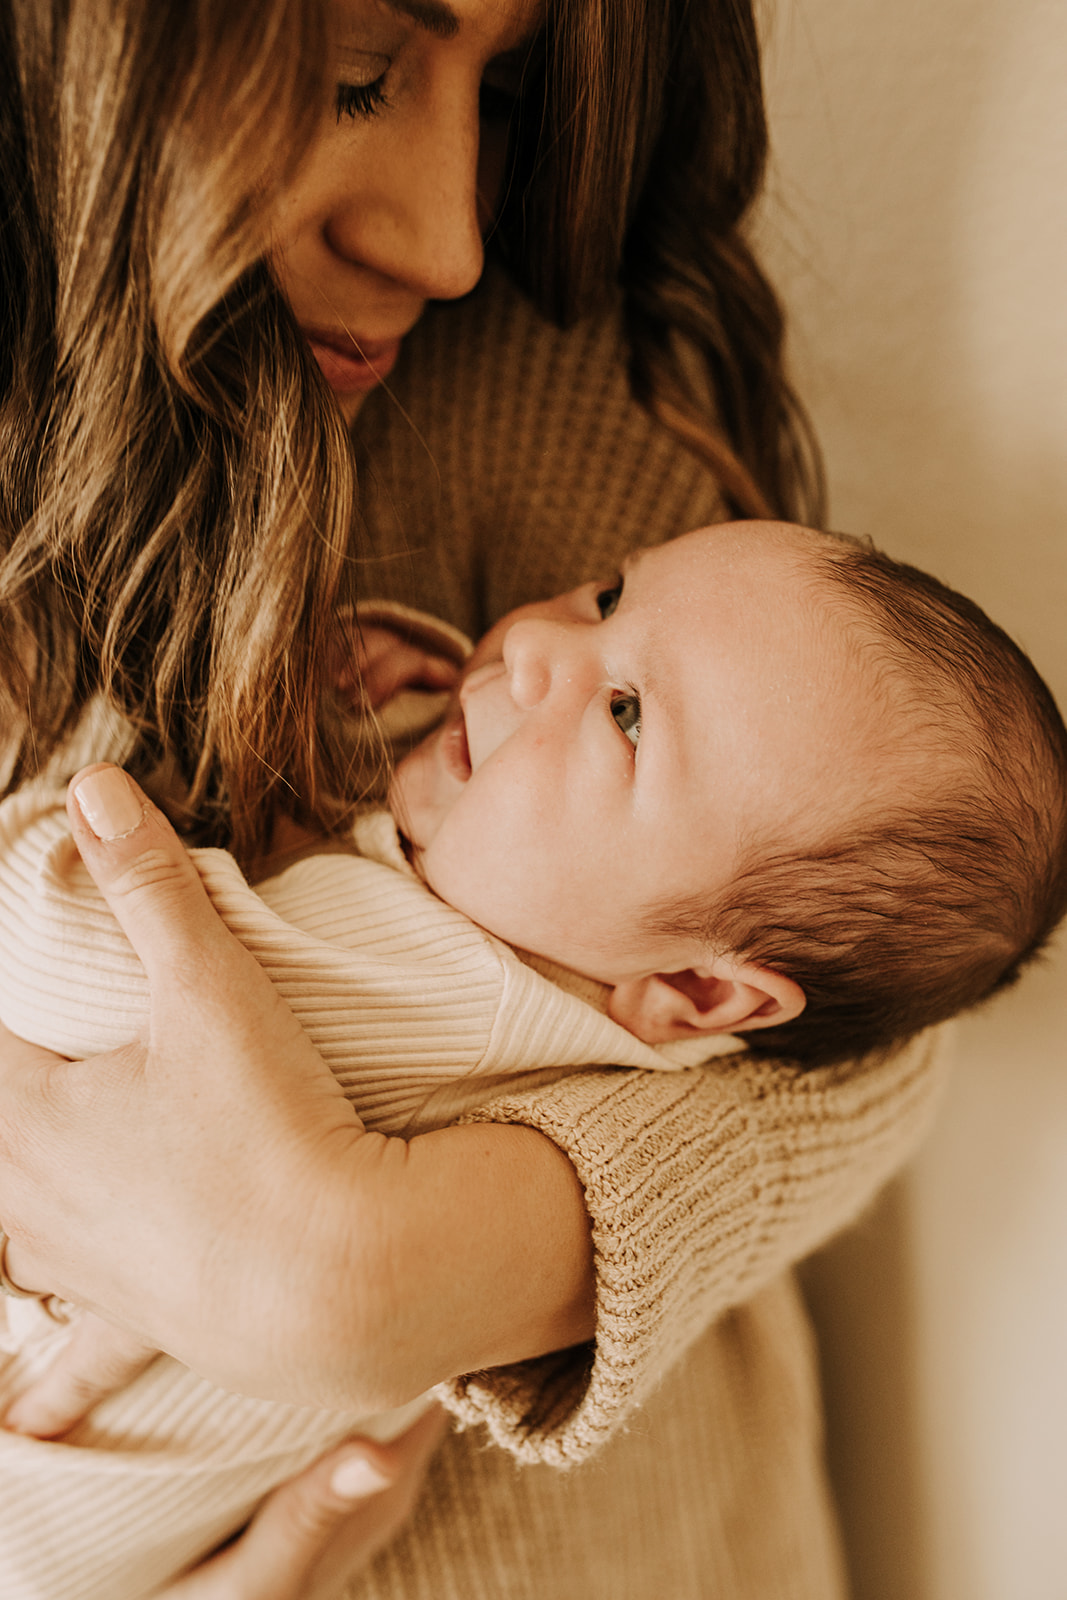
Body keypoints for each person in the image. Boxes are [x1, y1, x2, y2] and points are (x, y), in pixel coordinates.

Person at [0, 1, 963, 1596]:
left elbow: (870, 979)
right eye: (359, 77)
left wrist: (437, 1254)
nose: (447, 234)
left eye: (506, 96)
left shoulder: (517, 366)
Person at [2, 520, 1065, 1599]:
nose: (534, 651)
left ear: (698, 994)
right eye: (607, 595)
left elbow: (61, 954)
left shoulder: (444, 990)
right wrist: (342, 721)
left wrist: (70, 730)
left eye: (627, 716)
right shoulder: (576, 982)